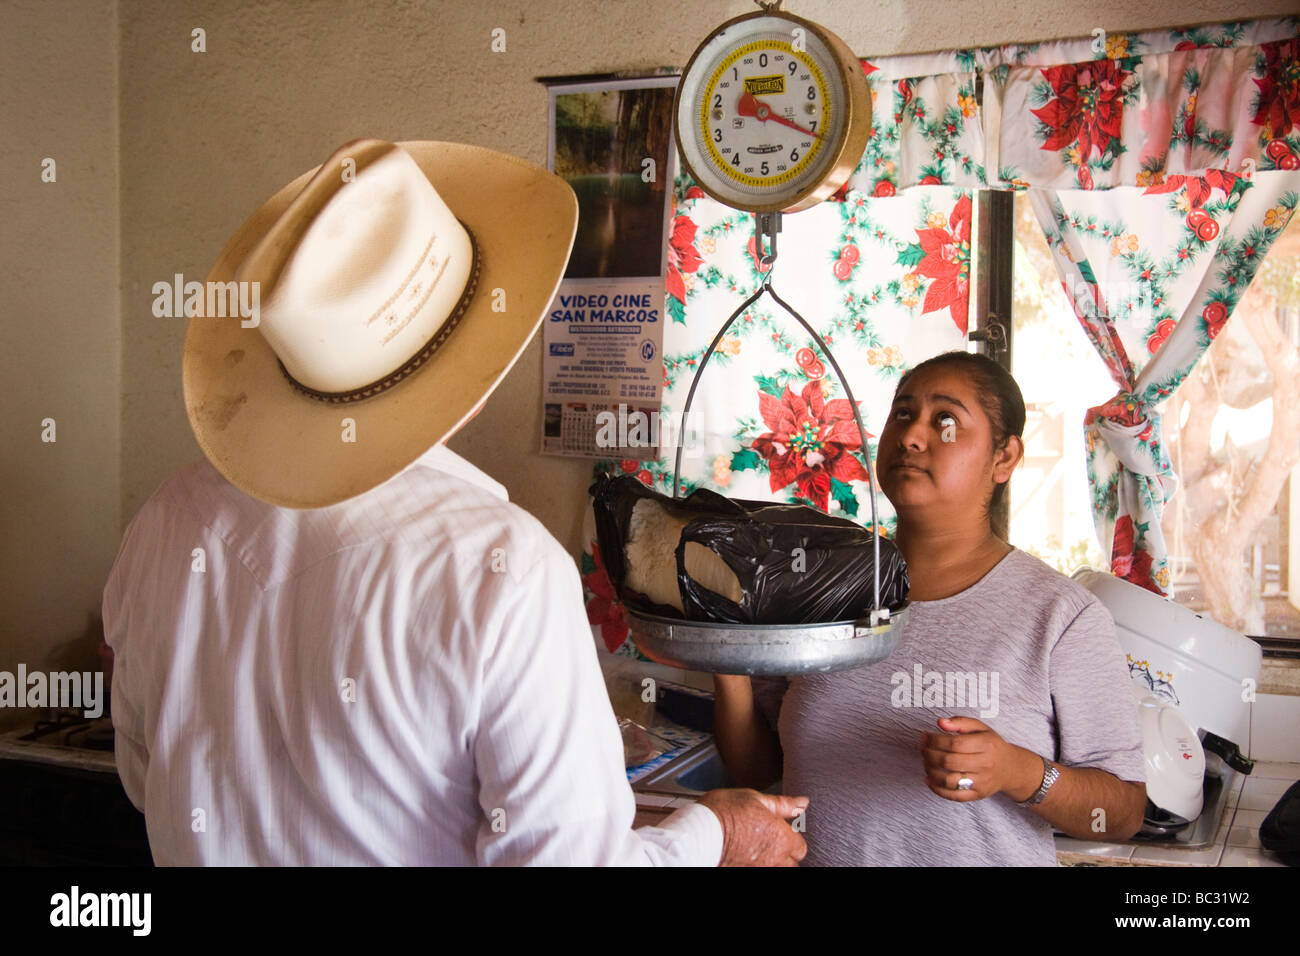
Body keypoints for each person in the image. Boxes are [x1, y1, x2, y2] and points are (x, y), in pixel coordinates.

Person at [102, 138, 807, 866]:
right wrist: (712, 836)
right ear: (472, 364)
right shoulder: (505, 567)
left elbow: (144, 773)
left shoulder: (166, 519)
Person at [713, 350, 1147, 865]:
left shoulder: (1060, 617)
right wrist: (723, 654)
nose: (912, 436)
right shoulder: (812, 590)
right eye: (902, 414)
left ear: (1004, 458)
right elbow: (758, 770)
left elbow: (1122, 811)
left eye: (945, 420)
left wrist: (1017, 771)